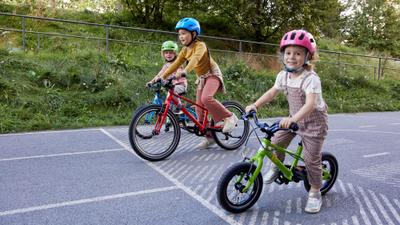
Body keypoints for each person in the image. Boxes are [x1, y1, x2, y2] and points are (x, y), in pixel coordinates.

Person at [245, 30, 328, 213]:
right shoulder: (283, 75)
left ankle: (315, 192)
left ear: (308, 56)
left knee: (311, 159)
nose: (292, 57)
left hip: (313, 124)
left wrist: (292, 119)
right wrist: (255, 105)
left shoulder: (311, 79)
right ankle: (277, 166)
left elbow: (310, 104)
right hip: (293, 120)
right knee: (273, 142)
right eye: (288, 53)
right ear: (283, 55)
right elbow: (272, 92)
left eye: (298, 53)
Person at [160, 17, 238, 149]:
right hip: (202, 77)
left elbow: (195, 60)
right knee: (199, 108)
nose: (181, 37)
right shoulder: (184, 50)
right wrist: (162, 76)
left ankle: (230, 117)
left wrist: (185, 71)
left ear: (194, 34)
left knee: (206, 98)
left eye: (184, 33)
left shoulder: (201, 46)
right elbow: (175, 64)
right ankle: (210, 137)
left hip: (212, 74)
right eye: (179, 34)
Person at [147, 40, 187, 113]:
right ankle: (170, 115)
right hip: (171, 85)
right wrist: (151, 82)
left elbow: (179, 71)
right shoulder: (166, 65)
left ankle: (180, 106)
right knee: (167, 96)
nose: (168, 54)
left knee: (171, 93)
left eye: (171, 52)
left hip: (180, 85)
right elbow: (159, 74)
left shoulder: (178, 63)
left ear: (175, 53)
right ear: (163, 54)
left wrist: (177, 75)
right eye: (166, 53)